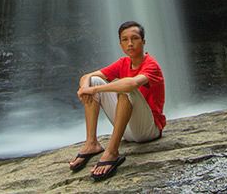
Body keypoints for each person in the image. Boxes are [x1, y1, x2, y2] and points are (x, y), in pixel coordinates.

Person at [68, 20, 166, 181]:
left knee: (124, 88)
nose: (130, 44)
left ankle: (112, 151)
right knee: (93, 80)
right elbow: (87, 77)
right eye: (125, 40)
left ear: (144, 41)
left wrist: (94, 90)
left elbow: (131, 84)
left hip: (149, 131)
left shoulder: (151, 65)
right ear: (120, 44)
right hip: (128, 131)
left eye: (134, 38)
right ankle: (91, 143)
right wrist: (85, 88)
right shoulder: (123, 63)